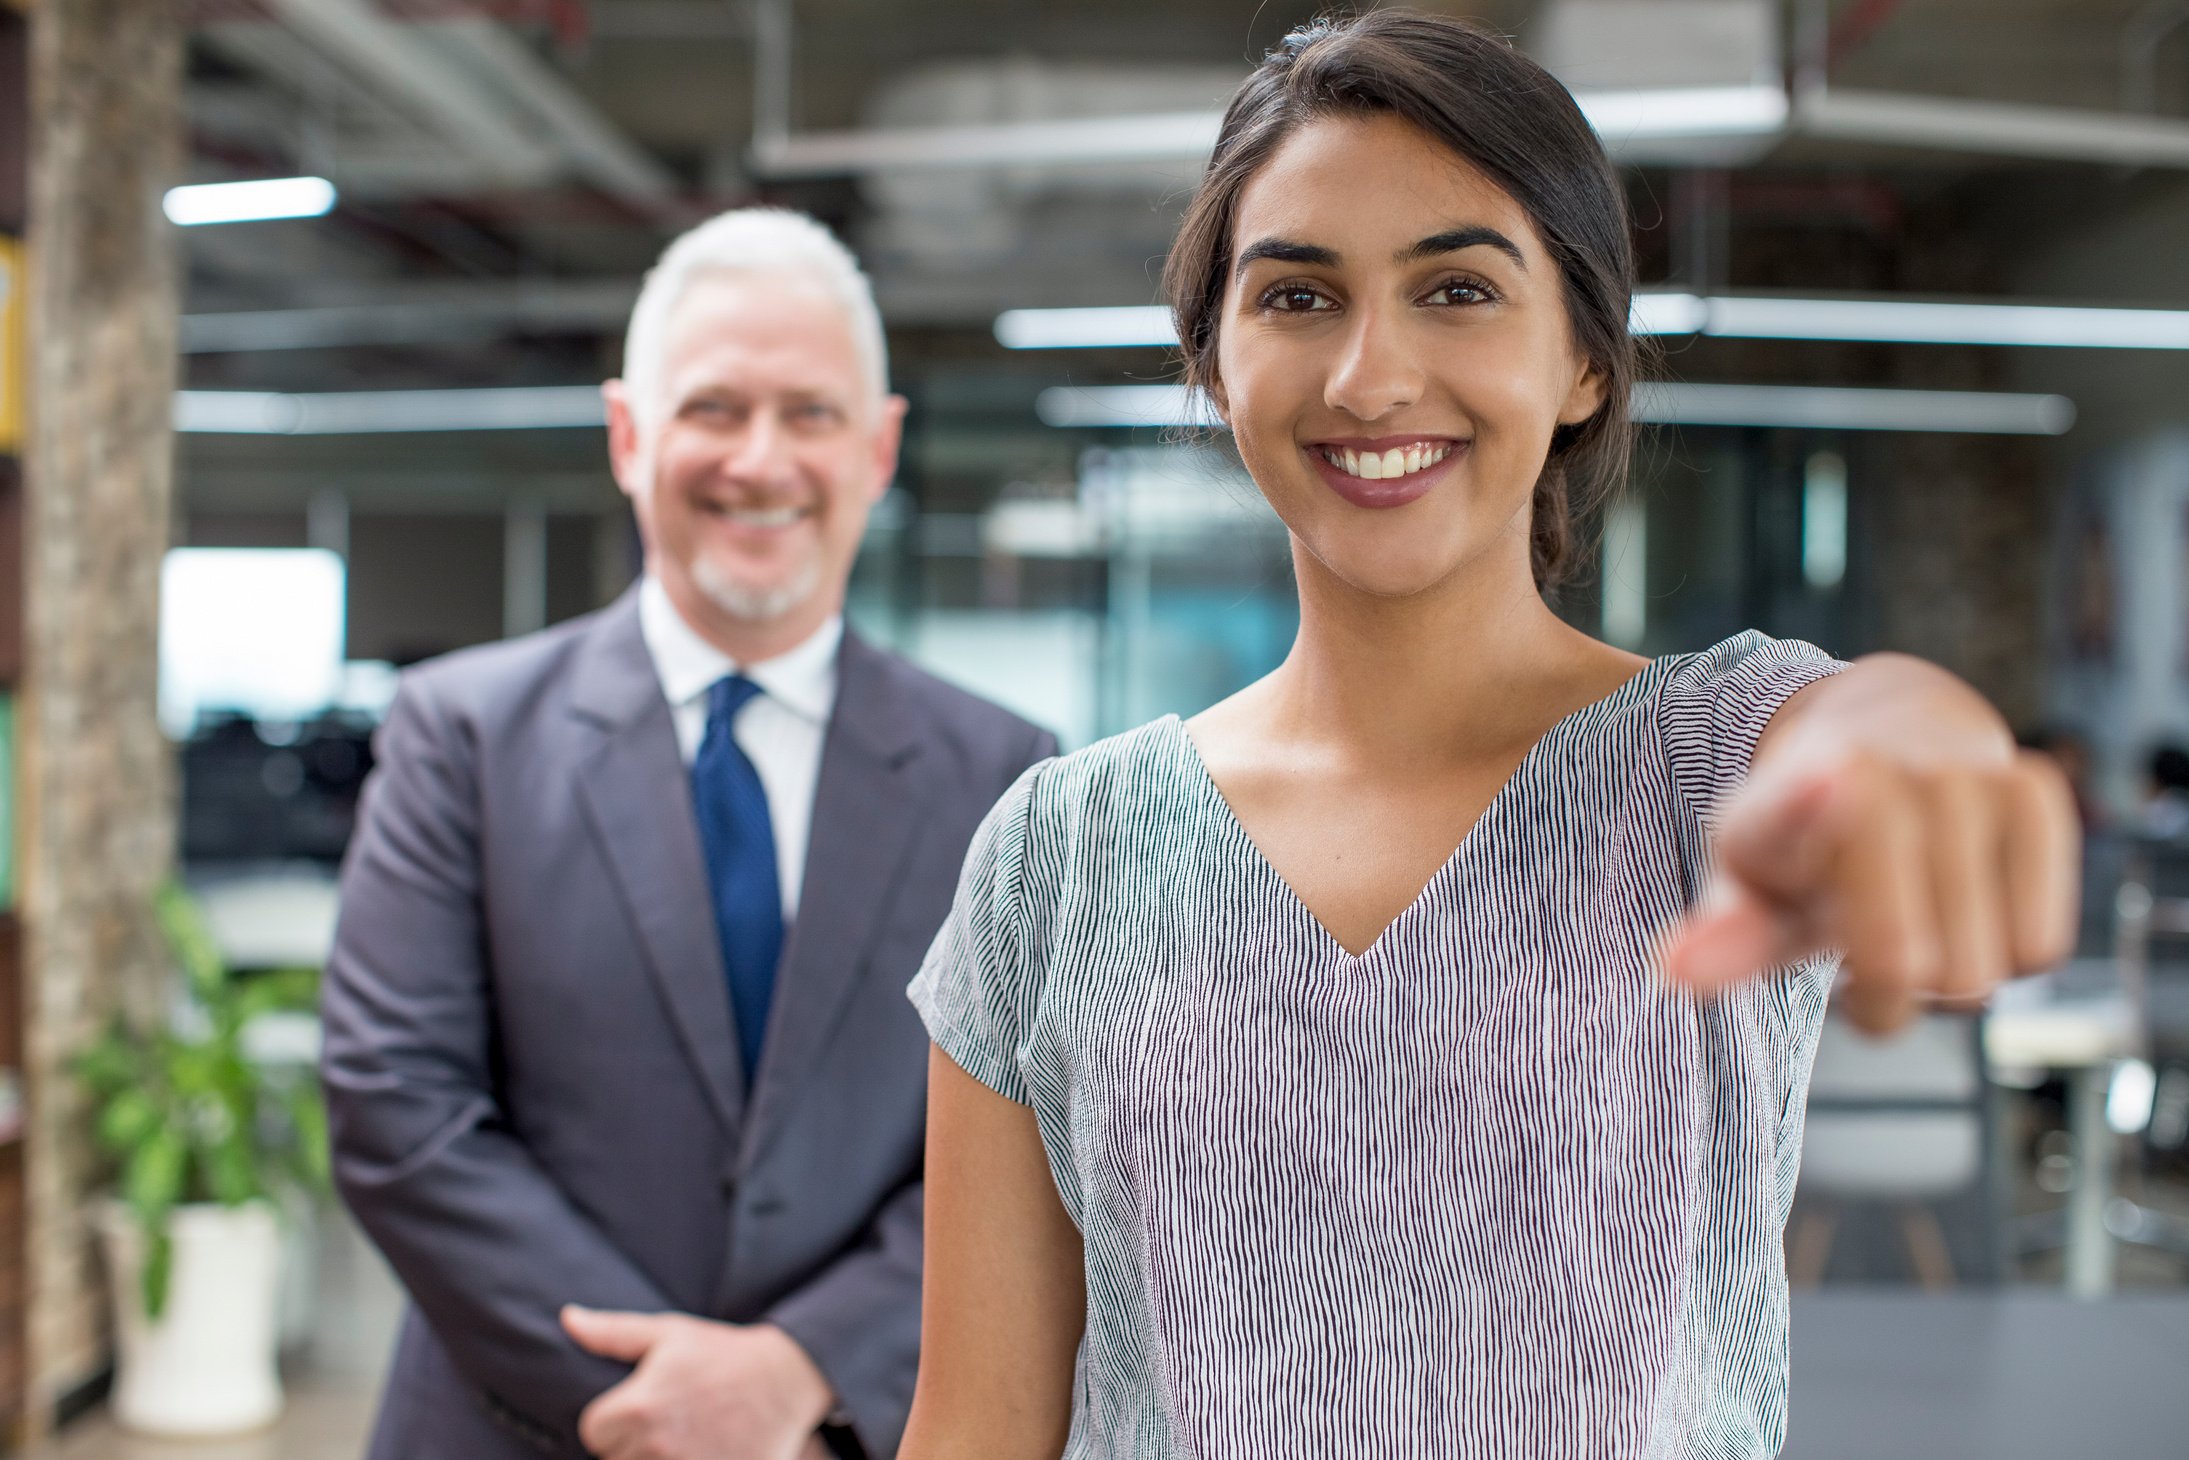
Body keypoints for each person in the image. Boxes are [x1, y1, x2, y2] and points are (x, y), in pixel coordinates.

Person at [899, 14, 2080, 1460]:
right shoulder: (1054, 853)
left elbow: (1872, 719)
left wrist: (1920, 755)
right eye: (1295, 298)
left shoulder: (1705, 759)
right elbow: (975, 1428)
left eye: (1457, 288)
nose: (1367, 377)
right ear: (1214, 361)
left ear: (1584, 360)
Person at [323, 208, 1057, 1460]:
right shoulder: (462, 733)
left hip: (843, 1428)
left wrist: (796, 1370)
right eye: (714, 407)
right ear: (628, 434)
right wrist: (671, 1398)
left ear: (877, 448)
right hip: (521, 1425)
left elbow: (1038, 1140)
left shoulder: (1011, 776)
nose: (759, 460)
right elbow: (397, 1102)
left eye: (811, 413)